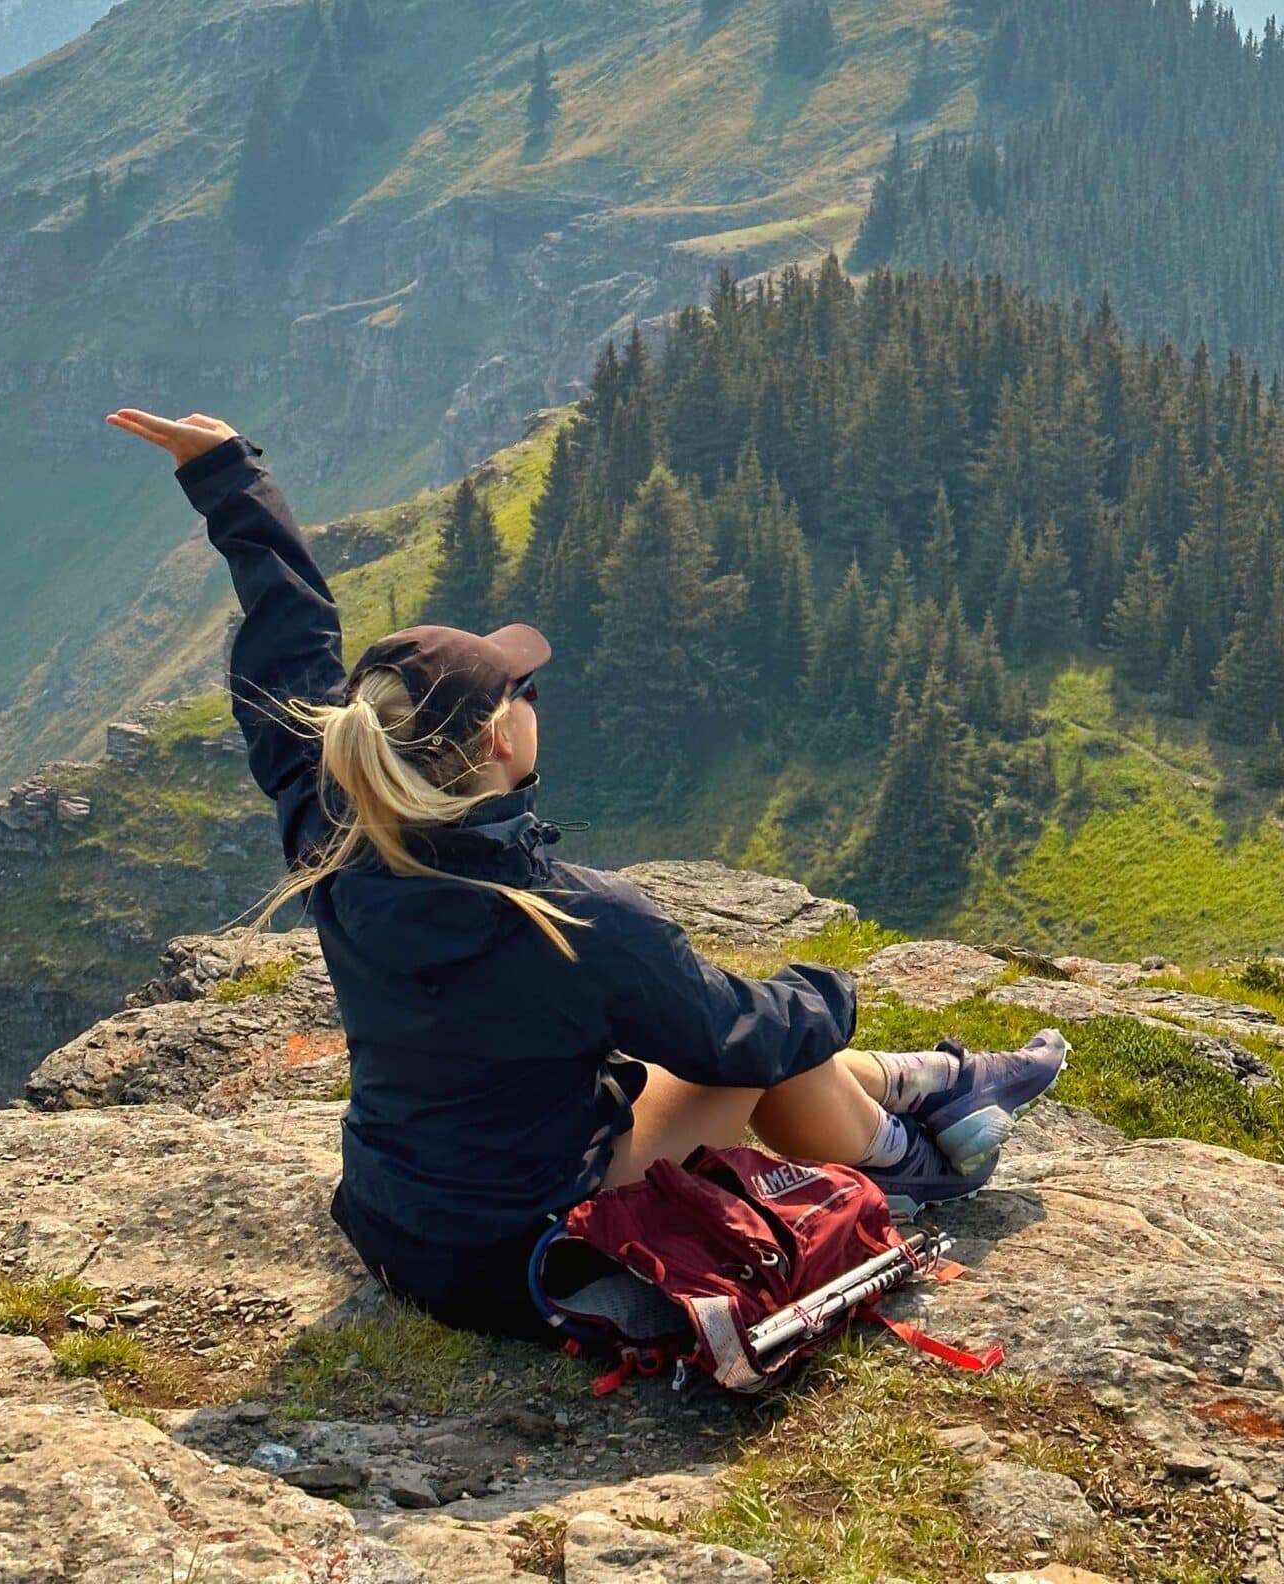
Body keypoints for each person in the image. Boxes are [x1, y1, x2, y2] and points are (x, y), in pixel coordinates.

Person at [108, 407, 1068, 1339]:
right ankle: (913, 1160)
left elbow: (287, 653)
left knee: (706, 1047)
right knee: (774, 1039)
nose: (534, 699)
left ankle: (935, 1083)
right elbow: (739, 1045)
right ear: (497, 738)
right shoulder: (574, 920)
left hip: (396, 1229)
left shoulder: (337, 832)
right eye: (523, 691)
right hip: (525, 1259)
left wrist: (228, 475)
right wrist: (833, 988)